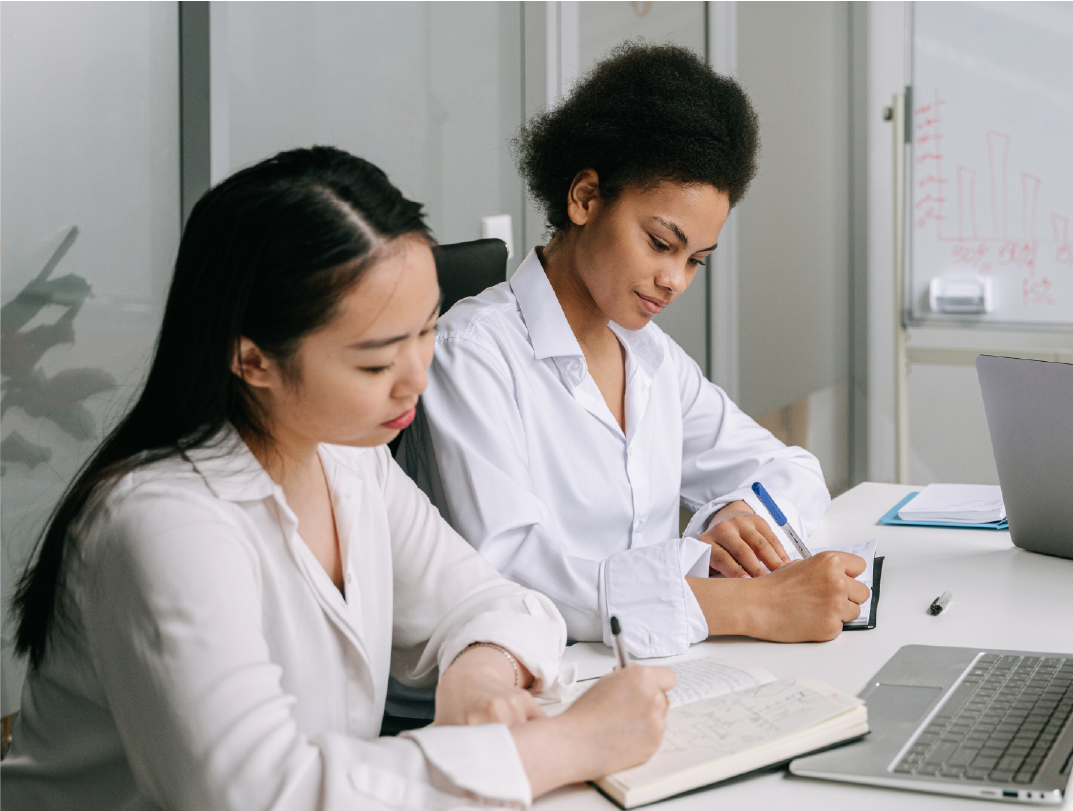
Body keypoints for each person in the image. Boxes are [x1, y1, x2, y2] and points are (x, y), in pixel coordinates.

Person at [1, 147, 675, 810]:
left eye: (428, 330)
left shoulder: (348, 459)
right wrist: (565, 746)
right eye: (376, 362)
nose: (417, 377)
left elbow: (500, 602)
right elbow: (258, 791)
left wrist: (479, 673)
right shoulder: (164, 521)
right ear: (252, 359)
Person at [399, 44, 870, 660]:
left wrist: (727, 518)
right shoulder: (472, 352)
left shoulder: (649, 356)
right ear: (586, 199)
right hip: (528, 685)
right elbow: (513, 572)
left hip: (655, 665)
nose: (675, 280)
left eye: (695, 260)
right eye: (659, 243)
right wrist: (746, 602)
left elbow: (792, 472)